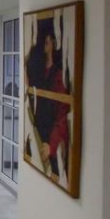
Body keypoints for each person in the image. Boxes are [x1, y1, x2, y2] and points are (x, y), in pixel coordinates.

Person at [26, 25, 70, 181]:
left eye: (48, 43)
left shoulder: (58, 75)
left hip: (50, 139)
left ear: (54, 44)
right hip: (38, 134)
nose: (45, 48)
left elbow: (62, 113)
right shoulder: (38, 72)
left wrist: (52, 144)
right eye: (44, 43)